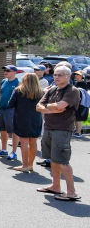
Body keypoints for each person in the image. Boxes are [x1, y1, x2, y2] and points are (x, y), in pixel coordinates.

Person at [35, 65, 82, 201]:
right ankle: (56, 186)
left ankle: (71, 192)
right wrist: (52, 108)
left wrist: (48, 107)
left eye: (60, 75)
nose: (56, 77)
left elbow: (61, 106)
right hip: (49, 127)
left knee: (62, 161)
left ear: (68, 76)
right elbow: (38, 107)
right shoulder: (52, 90)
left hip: (62, 129)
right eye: (55, 74)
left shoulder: (72, 91)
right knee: (53, 160)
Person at [7, 70, 44, 173]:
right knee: (33, 142)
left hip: (21, 119)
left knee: (24, 142)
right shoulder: (41, 92)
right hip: (36, 119)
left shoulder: (18, 90)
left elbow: (10, 104)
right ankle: (30, 165)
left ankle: (24, 165)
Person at [0, 65, 21, 160]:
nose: (5, 72)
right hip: (1, 108)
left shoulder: (18, 83)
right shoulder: (3, 81)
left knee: (13, 131)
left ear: (14, 72)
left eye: (8, 70)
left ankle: (13, 152)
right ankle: (4, 150)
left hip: (11, 109)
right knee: (3, 129)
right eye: (5, 70)